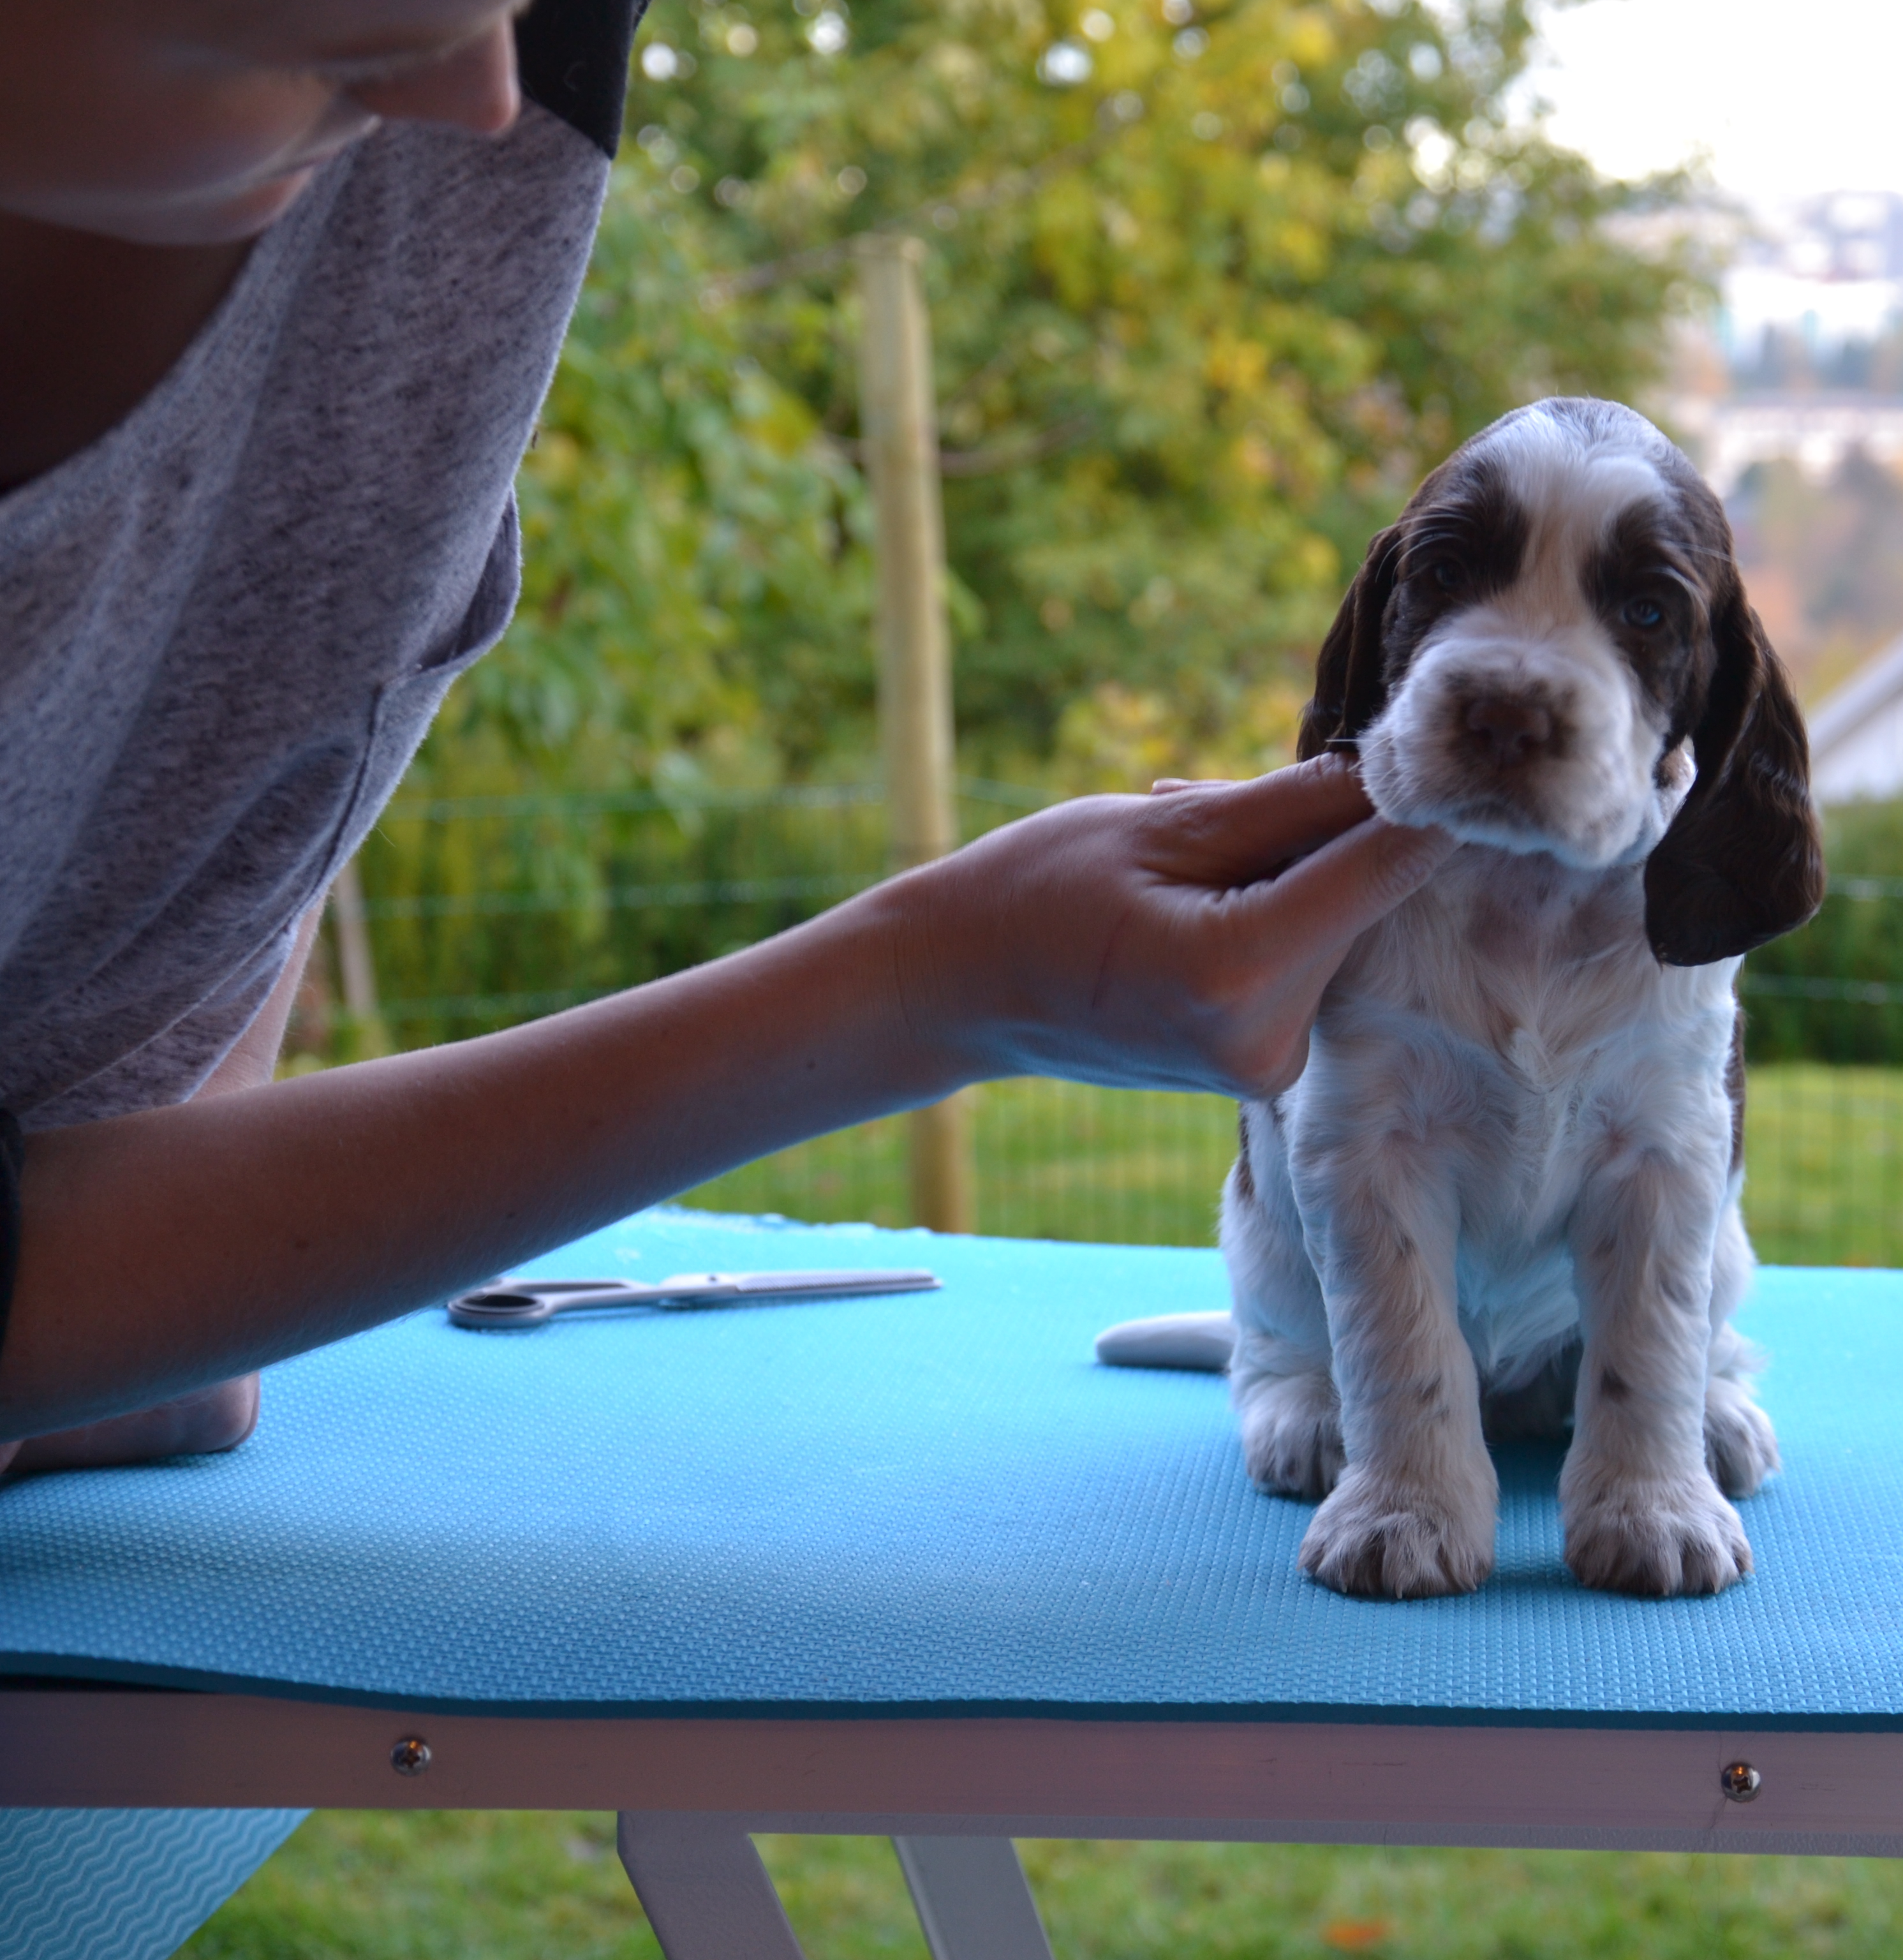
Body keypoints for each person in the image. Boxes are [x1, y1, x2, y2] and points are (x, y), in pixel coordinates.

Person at [0, 0, 1453, 1476]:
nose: (488, 89)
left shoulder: (488, 81)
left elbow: (145, 1289)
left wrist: (136, 1299)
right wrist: (940, 983)